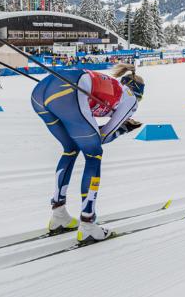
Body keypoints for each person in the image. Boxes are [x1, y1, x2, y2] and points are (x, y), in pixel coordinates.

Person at [30, 63, 145, 242]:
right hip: (70, 90)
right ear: (140, 94)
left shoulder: (113, 88)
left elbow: (85, 129)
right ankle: (88, 223)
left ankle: (59, 215)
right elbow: (103, 137)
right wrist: (123, 129)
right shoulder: (131, 99)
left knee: (71, 148)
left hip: (40, 93)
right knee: (94, 154)